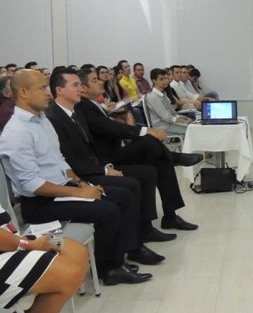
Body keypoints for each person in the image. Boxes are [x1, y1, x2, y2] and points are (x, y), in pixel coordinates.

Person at [0, 69, 153, 286]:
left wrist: (81, 184)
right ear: (23, 92)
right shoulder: (17, 132)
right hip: (40, 203)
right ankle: (109, 269)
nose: (48, 93)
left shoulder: (41, 121)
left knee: (122, 195)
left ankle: (122, 256)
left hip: (61, 189)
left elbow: (60, 161)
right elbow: (33, 185)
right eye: (42, 88)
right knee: (108, 210)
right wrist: (80, 193)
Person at [45, 68, 176, 245]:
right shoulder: (54, 117)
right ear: (60, 90)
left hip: (95, 165)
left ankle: (145, 230)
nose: (80, 88)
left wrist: (106, 167)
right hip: (80, 175)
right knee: (132, 181)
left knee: (149, 170)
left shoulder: (75, 112)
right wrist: (103, 171)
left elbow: (91, 147)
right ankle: (133, 244)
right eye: (76, 85)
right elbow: (69, 159)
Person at [76, 69, 201, 231]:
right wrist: (145, 130)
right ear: (83, 88)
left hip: (117, 149)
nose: (100, 82)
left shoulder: (93, 105)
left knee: (162, 162)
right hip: (108, 159)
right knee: (149, 140)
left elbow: (106, 126)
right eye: (94, 80)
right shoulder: (83, 106)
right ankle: (174, 157)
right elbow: (106, 127)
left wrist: (116, 117)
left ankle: (170, 216)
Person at [0, 173, 88, 313]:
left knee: (77, 251)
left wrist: (22, 241)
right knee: (70, 273)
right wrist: (28, 245)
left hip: (9, 241)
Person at [146, 68, 193, 135]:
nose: (165, 81)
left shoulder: (163, 93)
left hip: (170, 123)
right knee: (191, 130)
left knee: (192, 123)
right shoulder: (153, 97)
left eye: (166, 78)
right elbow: (167, 118)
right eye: (161, 79)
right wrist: (183, 121)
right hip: (163, 127)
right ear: (154, 81)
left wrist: (185, 119)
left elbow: (172, 113)